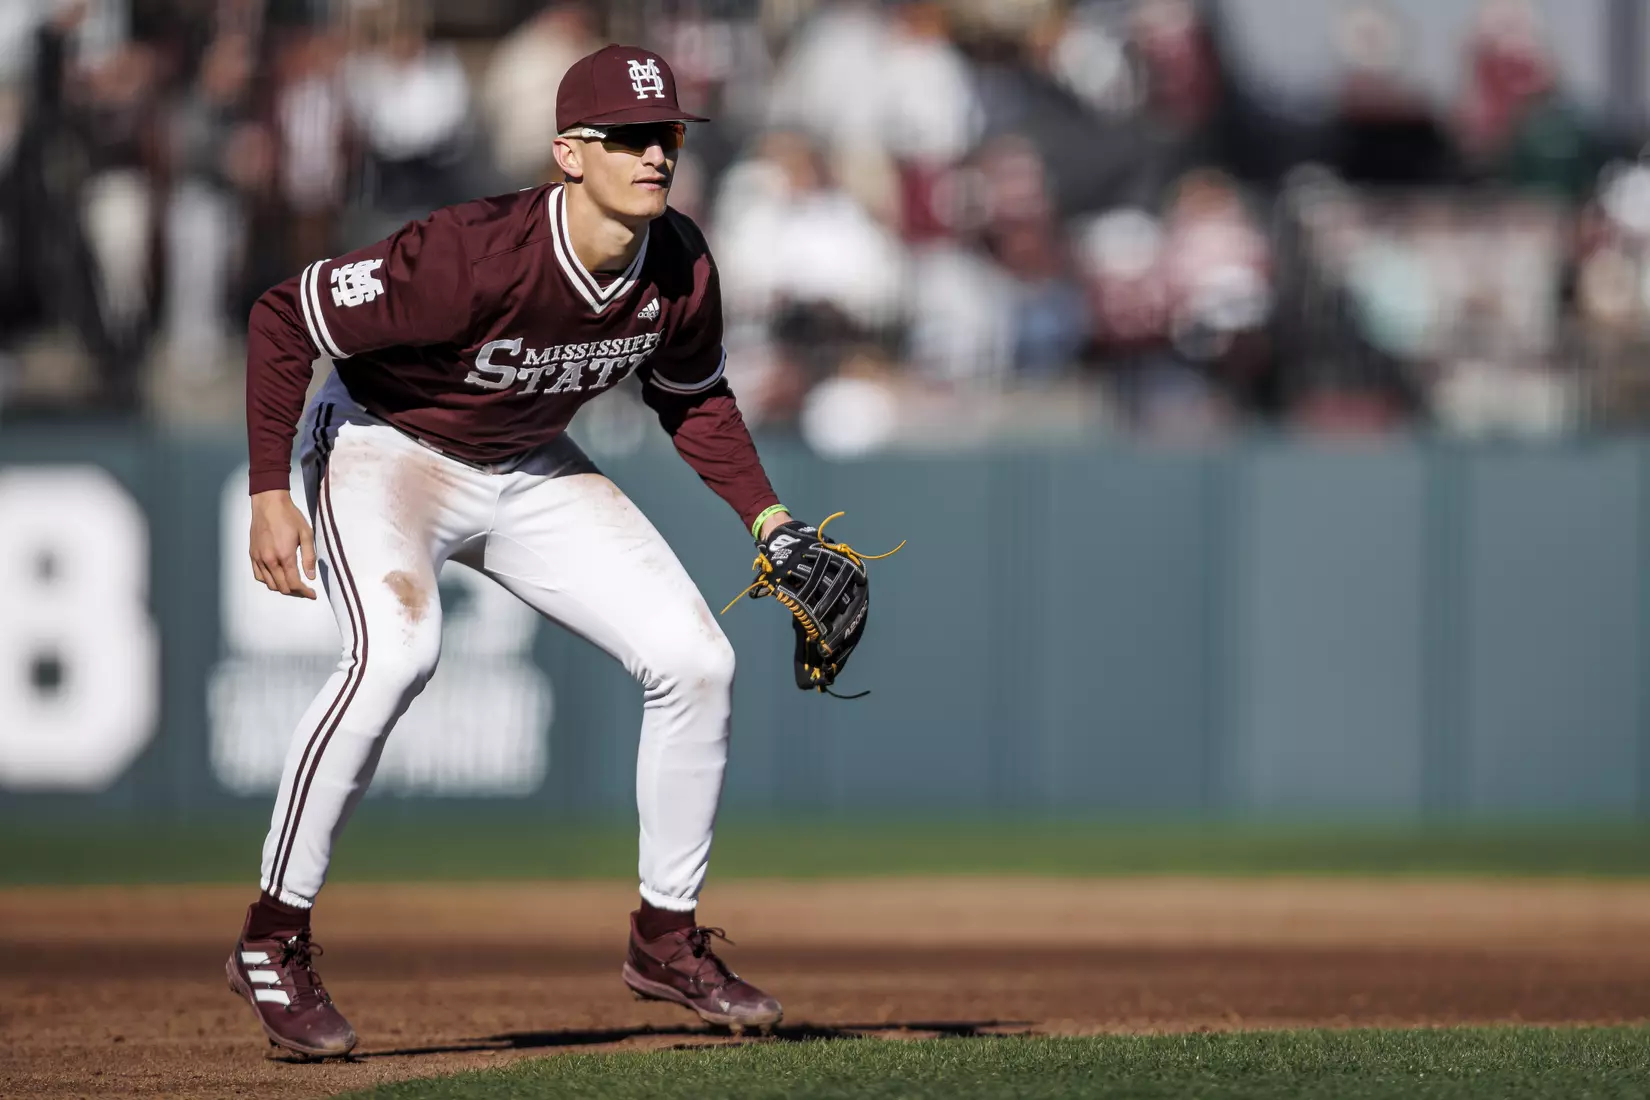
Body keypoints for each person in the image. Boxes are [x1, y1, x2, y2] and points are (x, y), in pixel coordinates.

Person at [226, 45, 796, 1058]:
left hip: (526, 458)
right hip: (385, 445)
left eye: (663, 137)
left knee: (697, 659)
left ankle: (665, 938)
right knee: (394, 655)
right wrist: (272, 485)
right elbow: (287, 314)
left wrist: (771, 520)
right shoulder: (471, 255)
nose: (653, 155)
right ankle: (273, 935)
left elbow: (692, 398)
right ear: (568, 154)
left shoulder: (679, 262)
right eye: (626, 138)